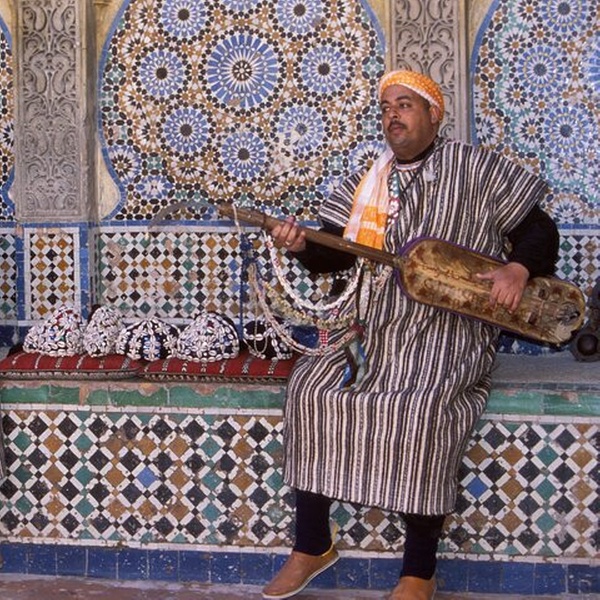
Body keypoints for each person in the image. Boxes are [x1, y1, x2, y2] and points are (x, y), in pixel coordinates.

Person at [262, 69, 559, 600]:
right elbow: (335, 253)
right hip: (373, 331)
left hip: (448, 333)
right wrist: (301, 244)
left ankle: (419, 571)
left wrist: (518, 268)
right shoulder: (369, 177)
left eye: (405, 105)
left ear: (433, 115)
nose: (392, 116)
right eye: (385, 107)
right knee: (309, 388)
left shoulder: (475, 167)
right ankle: (312, 545)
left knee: (421, 408)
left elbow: (540, 229)